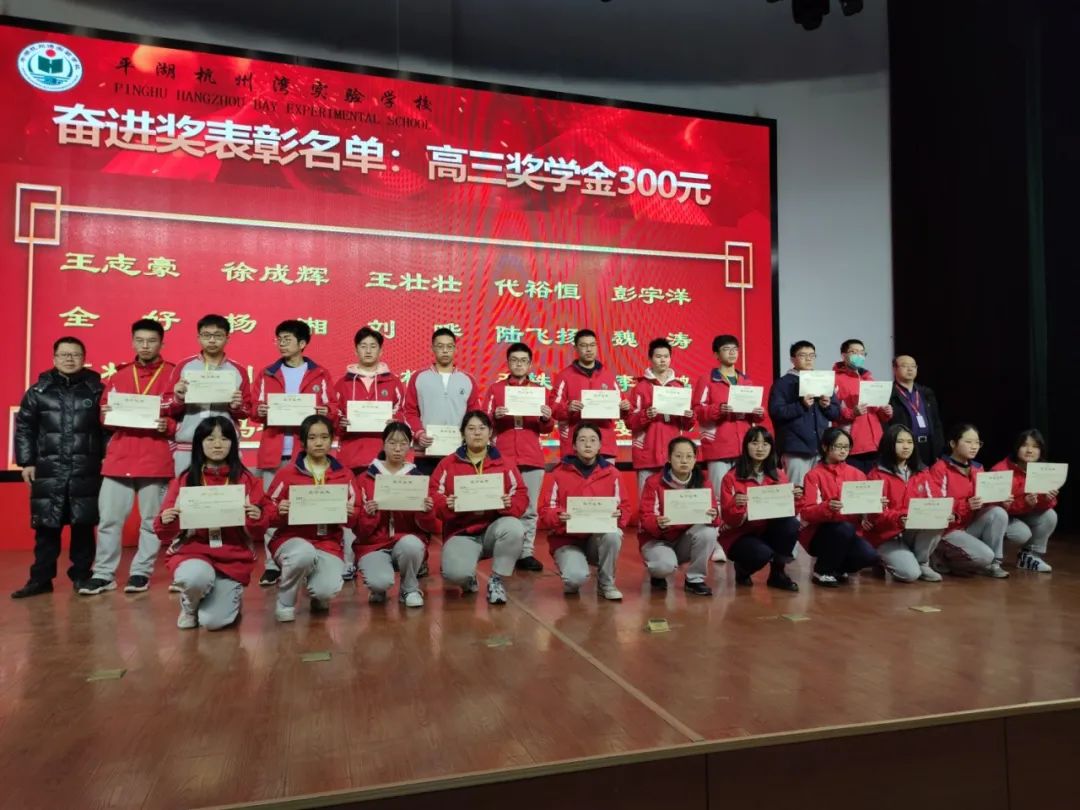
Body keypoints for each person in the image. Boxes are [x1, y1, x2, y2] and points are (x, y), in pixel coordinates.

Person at [79, 319, 175, 596]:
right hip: (119, 459)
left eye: (152, 341)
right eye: (140, 340)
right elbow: (104, 416)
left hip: (155, 458)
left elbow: (180, 417)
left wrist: (167, 425)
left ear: (161, 343)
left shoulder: (173, 375)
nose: (145, 346)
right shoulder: (119, 375)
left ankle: (140, 573)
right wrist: (107, 415)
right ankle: (103, 574)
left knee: (151, 521)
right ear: (133, 342)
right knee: (109, 520)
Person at [155, 416, 270, 629]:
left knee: (214, 622)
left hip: (232, 557)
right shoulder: (185, 479)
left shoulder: (246, 480)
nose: (218, 445)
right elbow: (163, 532)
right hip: (193, 552)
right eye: (210, 439)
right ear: (199, 443)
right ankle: (190, 605)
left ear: (233, 443)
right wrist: (166, 520)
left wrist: (256, 518)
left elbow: (258, 531)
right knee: (195, 577)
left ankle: (225, 595)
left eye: (224, 439)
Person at [11, 337, 104, 599]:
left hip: (86, 467)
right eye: (64, 355)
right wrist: (27, 461)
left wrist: (107, 460)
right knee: (46, 527)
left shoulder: (97, 390)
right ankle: (40, 580)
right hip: (48, 468)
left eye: (75, 355)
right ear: (54, 358)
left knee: (83, 525)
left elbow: (108, 429)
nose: (69, 359)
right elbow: (25, 428)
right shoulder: (38, 391)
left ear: (84, 358)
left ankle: (82, 576)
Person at [250, 320, 334, 587]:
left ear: (302, 343)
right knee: (272, 509)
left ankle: (308, 560)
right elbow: (253, 409)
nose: (282, 343)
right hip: (274, 450)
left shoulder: (320, 374)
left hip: (306, 453)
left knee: (308, 507)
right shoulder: (267, 373)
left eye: (287, 339)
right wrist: (259, 411)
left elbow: (333, 409)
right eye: (279, 339)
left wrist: (326, 412)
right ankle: (272, 565)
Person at [265, 415, 357, 621]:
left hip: (328, 542)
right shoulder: (287, 473)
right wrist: (279, 511)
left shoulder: (345, 474)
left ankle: (317, 593)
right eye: (312, 437)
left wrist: (351, 514)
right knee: (303, 554)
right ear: (303, 442)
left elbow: (357, 513)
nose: (319, 442)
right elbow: (267, 510)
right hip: (291, 540)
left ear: (332, 439)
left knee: (326, 590)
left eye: (324, 437)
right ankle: (285, 600)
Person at [430, 410, 527, 605]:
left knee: (514, 528)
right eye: (471, 428)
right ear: (463, 433)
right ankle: (468, 579)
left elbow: (521, 495)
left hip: (493, 529)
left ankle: (496, 580)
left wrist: (509, 504)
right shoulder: (448, 464)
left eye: (482, 428)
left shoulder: (505, 463)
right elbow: (433, 495)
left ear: (490, 432)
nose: (477, 433)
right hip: (461, 532)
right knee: (455, 574)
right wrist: (447, 504)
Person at [539, 423, 630, 600]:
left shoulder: (613, 473)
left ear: (600, 445)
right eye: (582, 440)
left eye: (593, 440)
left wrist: (619, 514)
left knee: (614, 534)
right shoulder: (559, 473)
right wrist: (558, 516)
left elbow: (625, 508)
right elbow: (545, 511)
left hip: (596, 539)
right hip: (567, 539)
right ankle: (572, 576)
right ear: (573, 445)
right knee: (575, 579)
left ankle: (606, 583)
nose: (588, 444)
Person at [354, 422, 439, 607]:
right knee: (379, 582)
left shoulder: (418, 479)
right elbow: (359, 531)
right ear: (383, 444)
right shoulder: (364, 479)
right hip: (374, 545)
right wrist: (369, 515)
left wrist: (426, 512)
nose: (398, 448)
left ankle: (409, 588)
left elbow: (432, 527)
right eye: (392, 443)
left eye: (403, 443)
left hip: (405, 540)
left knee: (412, 545)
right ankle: (378, 588)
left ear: (410, 446)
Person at [485, 342, 553, 572]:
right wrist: (494, 416)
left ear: (530, 364)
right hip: (502, 458)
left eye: (523, 361)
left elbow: (547, 428)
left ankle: (526, 553)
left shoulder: (539, 390)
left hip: (532, 457)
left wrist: (546, 418)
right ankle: (502, 551)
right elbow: (484, 421)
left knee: (530, 509)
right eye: (514, 360)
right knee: (502, 505)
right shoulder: (496, 390)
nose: (519, 364)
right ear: (508, 363)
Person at [717, 427, 801, 591]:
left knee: (791, 524)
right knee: (761, 553)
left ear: (771, 447)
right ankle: (742, 570)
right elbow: (729, 520)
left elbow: (789, 512)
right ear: (746, 446)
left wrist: (796, 499)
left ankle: (777, 573)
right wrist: (737, 506)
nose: (760, 448)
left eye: (765, 444)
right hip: (740, 534)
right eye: (755, 443)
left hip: (767, 529)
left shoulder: (779, 474)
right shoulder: (731, 477)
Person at [167, 314, 251, 476]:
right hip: (188, 445)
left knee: (225, 491)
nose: (212, 340)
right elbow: (166, 406)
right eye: (206, 335)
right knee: (186, 490)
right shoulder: (184, 367)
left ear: (227, 338)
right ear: (198, 337)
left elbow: (247, 410)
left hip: (225, 446)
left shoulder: (238, 370)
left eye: (218, 336)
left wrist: (236, 407)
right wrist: (178, 398)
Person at [797, 427, 880, 587]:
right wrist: (827, 507)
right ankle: (822, 571)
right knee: (843, 528)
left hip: (849, 532)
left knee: (870, 556)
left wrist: (874, 506)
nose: (843, 451)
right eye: (838, 446)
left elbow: (864, 509)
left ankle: (837, 568)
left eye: (846, 447)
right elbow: (807, 512)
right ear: (825, 447)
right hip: (820, 533)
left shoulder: (858, 474)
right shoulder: (813, 475)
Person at [927, 423, 1010, 578]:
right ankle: (940, 558)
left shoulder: (978, 468)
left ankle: (994, 564)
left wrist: (1000, 499)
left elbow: (983, 501)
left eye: (977, 443)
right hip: (947, 530)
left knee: (998, 512)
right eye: (968, 442)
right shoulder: (940, 468)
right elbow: (937, 506)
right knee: (984, 556)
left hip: (968, 526)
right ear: (953, 444)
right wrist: (965, 505)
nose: (974, 447)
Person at [637, 437, 717, 596]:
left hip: (684, 540)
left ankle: (695, 579)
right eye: (678, 456)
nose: (684, 461)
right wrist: (657, 523)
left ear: (695, 459)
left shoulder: (703, 482)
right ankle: (658, 573)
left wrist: (713, 515)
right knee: (663, 566)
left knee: (709, 532)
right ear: (669, 458)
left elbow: (715, 514)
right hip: (658, 540)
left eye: (689, 456)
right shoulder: (654, 482)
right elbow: (645, 516)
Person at [863, 425, 942, 582]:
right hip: (885, 535)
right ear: (889, 444)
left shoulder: (922, 472)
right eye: (900, 442)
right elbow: (875, 515)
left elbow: (936, 500)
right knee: (909, 574)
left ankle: (922, 563)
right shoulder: (876, 475)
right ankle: (880, 559)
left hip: (910, 530)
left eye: (910, 442)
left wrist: (949, 513)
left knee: (937, 520)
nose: (906, 446)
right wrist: (899, 518)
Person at [403, 327, 482, 474]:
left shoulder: (467, 380)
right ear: (432, 348)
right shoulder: (419, 377)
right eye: (440, 346)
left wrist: (468, 436)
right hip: (426, 452)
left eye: (449, 346)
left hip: (459, 452)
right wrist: (419, 433)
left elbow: (474, 415)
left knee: (457, 489)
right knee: (427, 489)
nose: (445, 351)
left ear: (455, 349)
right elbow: (409, 412)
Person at [767, 341, 840, 486]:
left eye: (812, 355)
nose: (808, 359)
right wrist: (801, 405)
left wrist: (827, 406)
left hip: (820, 448)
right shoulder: (783, 383)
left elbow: (836, 413)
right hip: (795, 449)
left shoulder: (822, 381)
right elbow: (776, 412)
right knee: (797, 490)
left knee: (818, 491)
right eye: (803, 355)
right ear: (792, 359)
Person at [333, 326, 405, 473]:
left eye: (373, 346)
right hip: (351, 455)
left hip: (385, 457)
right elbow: (334, 415)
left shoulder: (393, 382)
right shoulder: (343, 383)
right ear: (356, 350)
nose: (368, 351)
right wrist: (341, 423)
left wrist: (395, 422)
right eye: (363, 346)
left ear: (381, 351)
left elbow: (403, 412)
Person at [627, 338, 695, 493]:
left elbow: (688, 426)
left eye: (666, 356)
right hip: (647, 454)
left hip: (674, 455)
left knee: (674, 502)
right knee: (646, 500)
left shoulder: (679, 387)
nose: (662, 360)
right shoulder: (640, 388)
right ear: (650, 359)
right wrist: (646, 414)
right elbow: (629, 422)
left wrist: (689, 416)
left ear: (670, 358)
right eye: (658, 356)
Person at [551, 329, 630, 460]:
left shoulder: (608, 376)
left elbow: (622, 409)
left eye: (592, 345)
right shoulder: (564, 376)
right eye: (584, 345)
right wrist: (568, 408)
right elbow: (553, 408)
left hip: (605, 446)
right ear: (576, 348)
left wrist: (625, 408)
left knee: (607, 474)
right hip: (574, 447)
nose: (589, 349)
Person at [993, 429, 1059, 573]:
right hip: (1004, 517)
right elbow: (994, 509)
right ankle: (993, 557)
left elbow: (1046, 505)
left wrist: (1046, 499)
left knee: (1050, 515)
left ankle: (1029, 557)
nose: (1030, 450)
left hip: (1023, 514)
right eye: (1025, 445)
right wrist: (1024, 503)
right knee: (1021, 533)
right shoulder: (1001, 470)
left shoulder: (1043, 470)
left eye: (1035, 447)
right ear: (1017, 448)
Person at [831, 339, 893, 473]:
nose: (859, 356)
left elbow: (877, 411)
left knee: (875, 483)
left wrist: (886, 411)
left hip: (876, 444)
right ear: (843, 355)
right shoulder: (835, 379)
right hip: (852, 444)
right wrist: (852, 413)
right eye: (854, 352)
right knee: (855, 484)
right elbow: (831, 412)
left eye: (862, 353)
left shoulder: (868, 377)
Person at [888, 355, 945, 467]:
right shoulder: (889, 394)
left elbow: (936, 423)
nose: (910, 369)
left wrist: (939, 449)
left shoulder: (926, 393)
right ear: (894, 369)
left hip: (928, 446)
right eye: (905, 366)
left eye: (913, 366)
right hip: (904, 447)